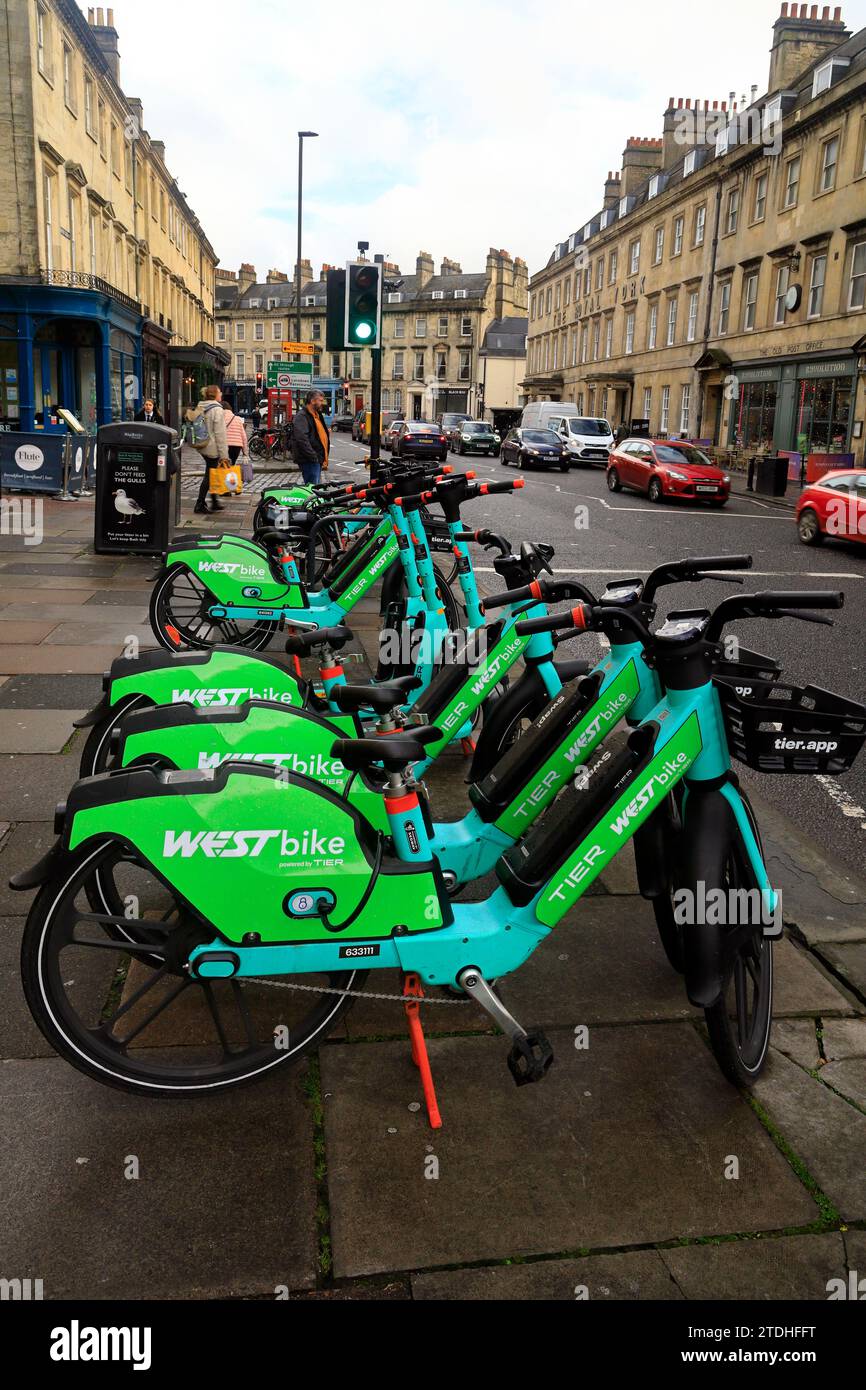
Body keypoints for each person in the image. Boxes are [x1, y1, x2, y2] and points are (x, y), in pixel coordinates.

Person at [187, 384, 229, 514]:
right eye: (219, 392)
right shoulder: (217, 409)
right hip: (212, 448)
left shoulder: (202, 406)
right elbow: (220, 434)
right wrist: (224, 455)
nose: (221, 393)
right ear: (215, 394)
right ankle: (200, 503)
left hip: (203, 445)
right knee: (209, 476)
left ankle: (214, 501)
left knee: (212, 473)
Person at [291, 389, 330, 486]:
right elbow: (302, 439)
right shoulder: (302, 416)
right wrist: (313, 456)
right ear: (312, 401)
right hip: (309, 460)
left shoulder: (317, 415)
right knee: (312, 489)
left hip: (317, 459)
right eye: (320, 401)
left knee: (315, 488)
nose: (322, 403)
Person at [221, 398, 249, 467]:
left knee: (222, 465)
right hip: (236, 446)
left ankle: (224, 476)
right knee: (232, 464)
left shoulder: (219, 418)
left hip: (224, 445)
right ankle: (231, 476)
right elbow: (244, 437)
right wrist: (245, 453)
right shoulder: (238, 419)